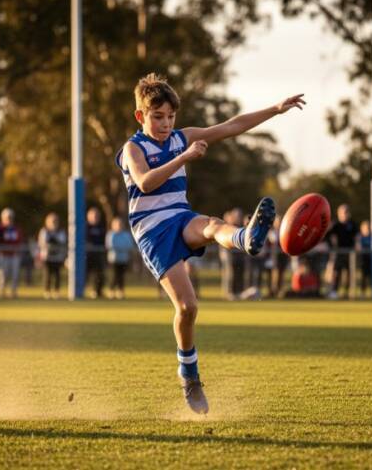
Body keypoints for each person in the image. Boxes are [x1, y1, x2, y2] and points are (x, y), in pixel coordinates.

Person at [114, 73, 302, 413]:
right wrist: (183, 158)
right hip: (152, 232)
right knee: (187, 308)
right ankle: (189, 374)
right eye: (158, 117)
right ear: (141, 116)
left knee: (214, 225)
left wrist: (275, 109)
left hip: (181, 217)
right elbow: (144, 183)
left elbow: (231, 126)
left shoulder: (181, 137)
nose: (166, 123)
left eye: (171, 117)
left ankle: (246, 237)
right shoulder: (133, 148)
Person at [325, 204, 358, 299]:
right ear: (339, 213)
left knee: (349, 273)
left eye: (346, 212)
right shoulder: (335, 225)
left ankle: (347, 292)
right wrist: (332, 245)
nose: (345, 214)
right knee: (336, 273)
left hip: (350, 253)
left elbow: (356, 237)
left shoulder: (352, 224)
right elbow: (327, 236)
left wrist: (356, 246)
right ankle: (334, 291)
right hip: (338, 253)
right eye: (343, 212)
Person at [38, 212, 67, 299]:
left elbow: (62, 242)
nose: (53, 223)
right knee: (47, 275)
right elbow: (43, 242)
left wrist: (53, 241)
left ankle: (56, 291)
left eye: (55, 221)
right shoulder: (44, 231)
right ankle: (47, 291)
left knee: (57, 275)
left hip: (58, 257)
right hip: (47, 257)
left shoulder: (61, 231)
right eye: (51, 221)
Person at [0, 208, 23, 299]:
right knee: (3, 275)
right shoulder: (0, 228)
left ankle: (13, 292)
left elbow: (19, 241)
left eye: (10, 217)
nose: (9, 219)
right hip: (3, 255)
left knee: (15, 275)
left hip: (14, 255)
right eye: (7, 217)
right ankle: (2, 292)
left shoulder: (16, 229)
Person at [106, 217, 134, 299]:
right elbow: (110, 245)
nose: (119, 226)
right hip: (114, 259)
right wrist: (121, 248)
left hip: (123, 259)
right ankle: (111, 291)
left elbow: (129, 245)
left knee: (121, 276)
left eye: (120, 224)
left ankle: (120, 292)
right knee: (114, 276)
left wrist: (121, 248)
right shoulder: (111, 234)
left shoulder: (126, 235)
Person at [85, 207, 107, 299]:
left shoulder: (102, 227)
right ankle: (81, 290)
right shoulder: (85, 227)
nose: (95, 217)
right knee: (85, 273)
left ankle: (97, 291)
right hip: (87, 255)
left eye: (97, 216)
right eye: (93, 216)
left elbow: (104, 240)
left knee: (99, 274)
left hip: (99, 254)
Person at [268, 215, 290, 298]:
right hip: (275, 255)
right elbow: (273, 242)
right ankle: (274, 290)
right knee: (275, 273)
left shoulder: (285, 231)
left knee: (282, 274)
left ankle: (280, 291)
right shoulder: (272, 232)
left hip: (283, 256)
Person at [357, 220, 372, 298]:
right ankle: (363, 292)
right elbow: (358, 248)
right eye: (366, 228)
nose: (368, 229)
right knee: (364, 277)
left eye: (369, 228)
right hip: (363, 260)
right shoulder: (360, 237)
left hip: (371, 260)